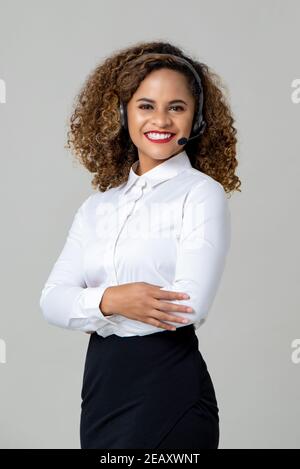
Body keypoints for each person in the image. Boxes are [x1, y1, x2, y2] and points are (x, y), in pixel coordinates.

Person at [39, 40, 241, 449]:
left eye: (177, 107)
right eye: (146, 105)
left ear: (196, 120)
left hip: (168, 384)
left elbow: (187, 306)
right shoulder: (98, 207)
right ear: (122, 114)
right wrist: (112, 300)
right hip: (101, 386)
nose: (161, 120)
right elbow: (50, 301)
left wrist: (90, 304)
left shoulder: (201, 194)